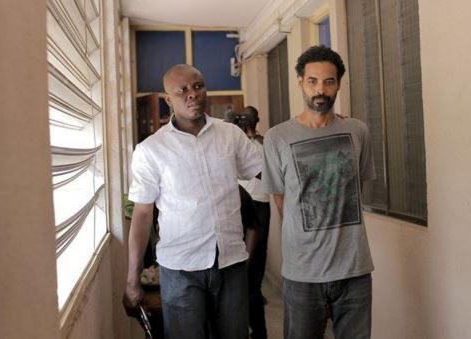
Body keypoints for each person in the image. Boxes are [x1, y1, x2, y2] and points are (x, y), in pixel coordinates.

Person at [123, 64, 262, 339]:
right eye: (182, 90)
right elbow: (142, 215)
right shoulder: (151, 150)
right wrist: (132, 278)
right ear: (168, 99)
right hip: (180, 269)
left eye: (198, 86)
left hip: (230, 263)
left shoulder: (229, 135)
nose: (192, 94)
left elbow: (264, 170)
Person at [261, 45, 376, 339]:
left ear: (338, 84)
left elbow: (356, 188)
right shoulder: (277, 138)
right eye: (312, 81)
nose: (320, 89)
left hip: (354, 268)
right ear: (300, 82)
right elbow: (281, 199)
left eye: (329, 81)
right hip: (302, 272)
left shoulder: (357, 131)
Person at [238, 106, 270, 339]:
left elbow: (269, 173)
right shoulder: (234, 141)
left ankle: (258, 332)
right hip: (240, 203)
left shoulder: (264, 142)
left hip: (258, 203)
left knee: (253, 269)